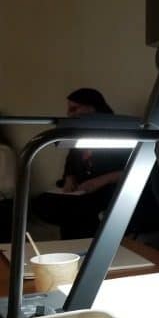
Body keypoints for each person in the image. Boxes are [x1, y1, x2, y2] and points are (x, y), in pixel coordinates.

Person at [32, 88, 131, 239]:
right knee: (43, 203)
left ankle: (88, 252)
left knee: (79, 211)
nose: (69, 114)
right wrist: (69, 178)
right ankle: (70, 250)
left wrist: (101, 180)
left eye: (74, 109)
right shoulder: (78, 136)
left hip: (110, 194)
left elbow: (133, 170)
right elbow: (70, 166)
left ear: (92, 108)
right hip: (82, 195)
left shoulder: (120, 133)